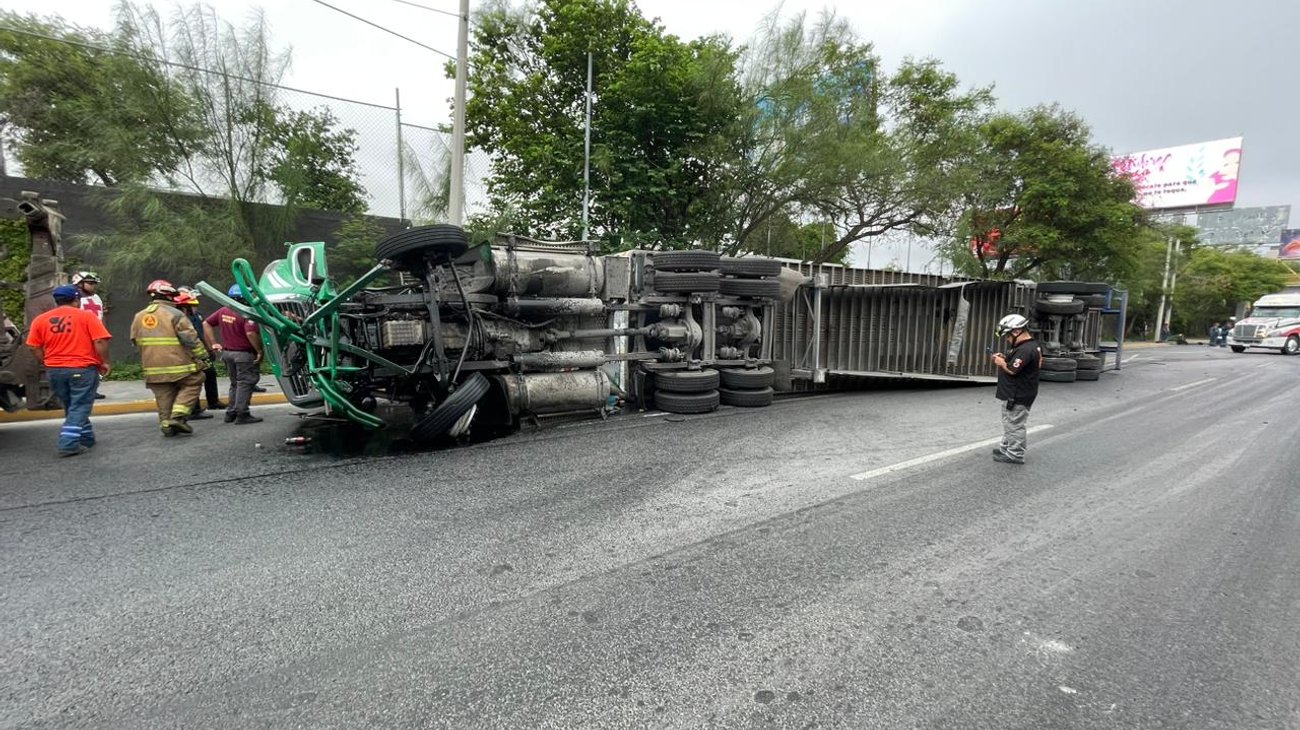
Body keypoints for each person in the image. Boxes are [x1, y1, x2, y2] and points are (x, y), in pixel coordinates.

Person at [25, 285, 112, 456]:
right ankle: (68, 443)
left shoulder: (41, 320)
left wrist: (46, 361)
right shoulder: (87, 316)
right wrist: (105, 362)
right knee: (80, 406)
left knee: (72, 405)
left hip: (55, 370)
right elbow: (100, 341)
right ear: (76, 300)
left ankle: (86, 437)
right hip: (82, 368)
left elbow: (33, 346)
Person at [130, 279, 210, 436]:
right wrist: (204, 356)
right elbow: (190, 339)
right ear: (167, 296)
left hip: (152, 367)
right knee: (195, 380)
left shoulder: (139, 316)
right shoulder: (175, 314)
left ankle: (166, 425)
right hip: (179, 364)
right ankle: (178, 417)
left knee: (164, 394)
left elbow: (134, 340)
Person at [204, 285, 265, 424]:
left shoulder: (224, 310)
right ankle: (242, 413)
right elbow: (250, 333)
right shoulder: (246, 313)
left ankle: (231, 412)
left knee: (235, 384)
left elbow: (206, 323)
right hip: (243, 355)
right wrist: (260, 351)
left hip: (228, 354)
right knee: (245, 383)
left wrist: (214, 343)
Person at [990, 313, 1042, 465]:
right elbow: (1018, 364)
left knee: (1015, 424)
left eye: (1007, 336)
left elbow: (1013, 370)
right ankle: (1006, 448)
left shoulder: (1025, 349)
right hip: (1015, 392)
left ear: (1016, 331)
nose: (1006, 339)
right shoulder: (1027, 346)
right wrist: (1004, 359)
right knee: (1009, 422)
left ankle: (1015, 454)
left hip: (1018, 394)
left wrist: (1001, 362)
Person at [72, 271, 109, 399]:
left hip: (96, 334)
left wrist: (103, 330)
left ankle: (93, 389)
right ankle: (82, 389)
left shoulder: (96, 297)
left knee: (97, 362)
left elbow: (101, 315)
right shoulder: (75, 299)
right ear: (79, 283)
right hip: (82, 335)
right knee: (84, 364)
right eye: (90, 283)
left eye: (94, 283)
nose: (93, 286)